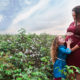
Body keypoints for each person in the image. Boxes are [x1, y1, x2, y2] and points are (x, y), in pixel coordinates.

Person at [65, 5, 80, 80]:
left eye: (75, 15)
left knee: (77, 70)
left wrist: (72, 50)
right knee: (69, 69)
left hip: (76, 52)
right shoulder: (72, 23)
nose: (73, 17)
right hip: (68, 51)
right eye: (72, 15)